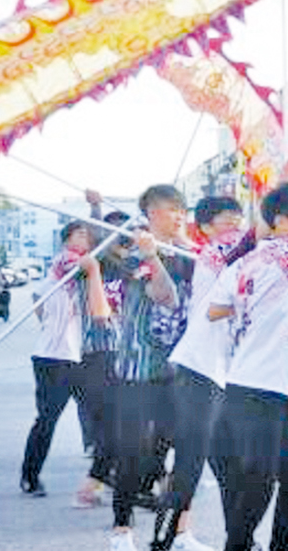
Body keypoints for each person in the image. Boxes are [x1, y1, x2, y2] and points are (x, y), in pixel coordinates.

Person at [207, 185, 288, 551]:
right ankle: (238, 546)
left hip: (269, 386)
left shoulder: (244, 262)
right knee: (261, 480)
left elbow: (215, 309)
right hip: (259, 387)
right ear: (279, 222)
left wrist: (264, 307)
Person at [154, 197, 256, 551]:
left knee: (233, 467)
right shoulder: (217, 251)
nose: (236, 227)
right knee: (189, 465)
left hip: (224, 374)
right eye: (228, 221)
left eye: (239, 220)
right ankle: (162, 541)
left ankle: (240, 542)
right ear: (208, 229)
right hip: (199, 371)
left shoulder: (238, 255)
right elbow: (251, 246)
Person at [106, 185, 197, 551]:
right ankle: (121, 530)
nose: (176, 216)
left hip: (179, 368)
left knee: (185, 450)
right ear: (149, 214)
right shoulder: (135, 256)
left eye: (180, 209)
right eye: (168, 210)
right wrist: (153, 255)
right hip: (138, 367)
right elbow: (164, 295)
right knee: (133, 451)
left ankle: (179, 530)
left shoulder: (190, 253)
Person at [21, 222, 110, 498]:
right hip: (53, 358)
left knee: (103, 417)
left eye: (88, 234)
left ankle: (104, 474)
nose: (86, 238)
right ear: (66, 239)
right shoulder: (62, 264)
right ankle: (30, 476)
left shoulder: (89, 268)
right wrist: (53, 329)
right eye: (80, 234)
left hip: (83, 356)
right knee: (47, 420)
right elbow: (40, 298)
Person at [74, 210, 130, 511]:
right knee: (114, 427)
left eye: (124, 231)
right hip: (98, 355)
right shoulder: (89, 265)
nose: (119, 236)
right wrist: (94, 209)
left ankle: (103, 483)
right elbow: (99, 313)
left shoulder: (127, 267)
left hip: (123, 355)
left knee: (123, 426)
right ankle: (94, 485)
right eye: (113, 231)